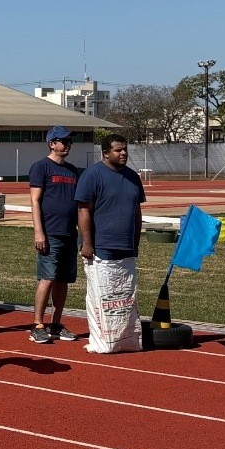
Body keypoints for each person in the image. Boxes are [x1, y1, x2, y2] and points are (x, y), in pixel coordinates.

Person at [74, 134, 146, 354]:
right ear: (105, 153)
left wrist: (135, 242)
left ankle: (125, 339)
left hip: (125, 247)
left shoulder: (133, 177)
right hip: (101, 247)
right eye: (118, 150)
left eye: (125, 149)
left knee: (124, 298)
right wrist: (87, 243)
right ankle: (102, 341)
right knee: (102, 297)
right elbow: (83, 211)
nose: (123, 153)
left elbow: (136, 212)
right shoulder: (92, 175)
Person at [28, 126, 82, 343]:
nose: (68, 145)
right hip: (50, 233)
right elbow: (35, 201)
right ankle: (37, 324)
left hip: (69, 233)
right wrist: (39, 232)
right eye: (64, 141)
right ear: (52, 144)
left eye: (70, 141)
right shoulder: (41, 167)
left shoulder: (72, 170)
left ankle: (56, 324)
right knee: (47, 278)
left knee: (63, 280)